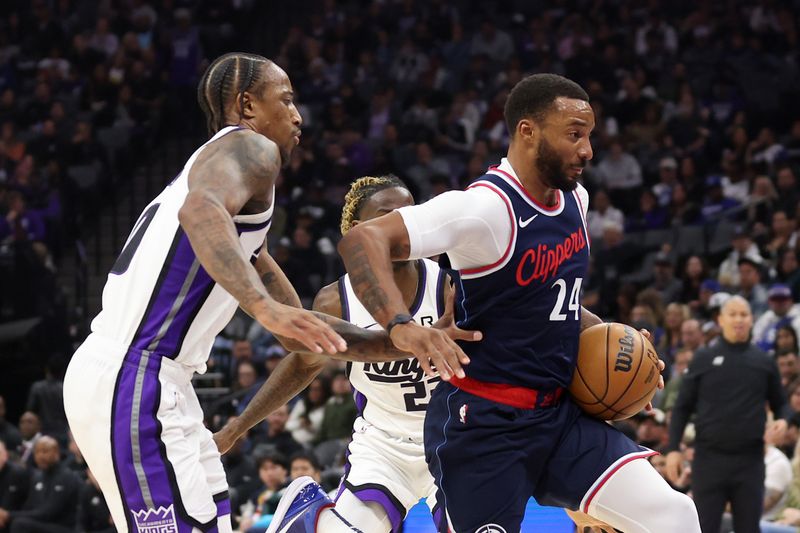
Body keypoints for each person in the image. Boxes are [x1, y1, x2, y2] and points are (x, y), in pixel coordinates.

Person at [62, 52, 457, 533]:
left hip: (164, 382)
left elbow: (301, 339)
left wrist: (403, 341)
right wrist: (263, 310)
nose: (299, 116)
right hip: (133, 373)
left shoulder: (230, 191)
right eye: (287, 100)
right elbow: (199, 211)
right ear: (247, 105)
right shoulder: (249, 149)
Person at [329, 73, 699, 532]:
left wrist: (623, 346)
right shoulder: (484, 210)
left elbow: (553, 303)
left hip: (558, 418)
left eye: (589, 135)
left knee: (675, 515)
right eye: (574, 134)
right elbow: (363, 241)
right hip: (483, 426)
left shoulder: (575, 200)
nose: (588, 150)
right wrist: (402, 325)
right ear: (528, 131)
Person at [216, 175, 471, 532]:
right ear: (355, 229)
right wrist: (237, 427)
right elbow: (304, 363)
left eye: (408, 215)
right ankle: (311, 515)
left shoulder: (449, 284)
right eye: (385, 215)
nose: (399, 226)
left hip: (452, 440)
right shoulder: (336, 301)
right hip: (384, 448)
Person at [667, 296, 785, 533]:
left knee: (749, 529)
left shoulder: (764, 362)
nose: (739, 319)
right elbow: (682, 407)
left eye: (744, 314)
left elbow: (780, 404)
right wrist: (672, 449)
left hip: (750, 461)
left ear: (752, 320)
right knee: (703, 527)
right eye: (733, 314)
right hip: (709, 459)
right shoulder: (703, 358)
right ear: (721, 320)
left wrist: (782, 420)